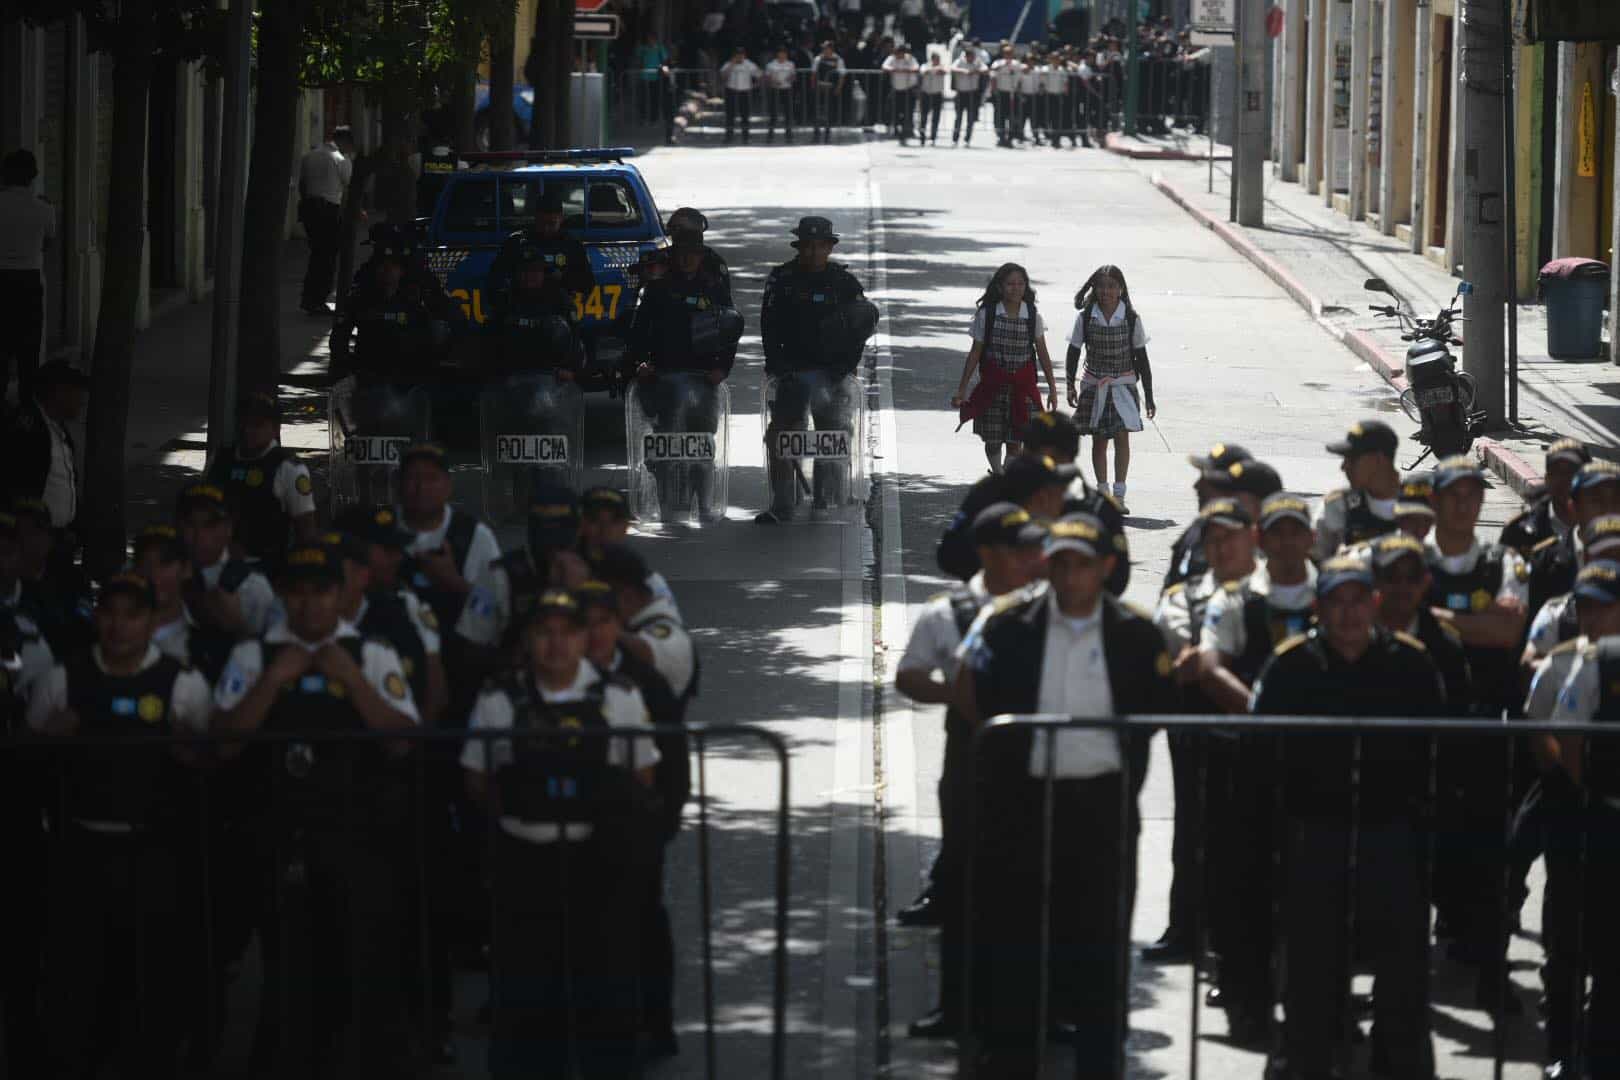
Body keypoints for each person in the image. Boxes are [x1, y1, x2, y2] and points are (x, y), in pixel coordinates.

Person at [955, 511, 1177, 1078]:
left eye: (1082, 564)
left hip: (1102, 808)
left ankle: (1099, 1064)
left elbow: (1157, 707)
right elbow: (970, 688)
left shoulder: (1136, 632)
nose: (1070, 575)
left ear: (1105, 567)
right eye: (1060, 564)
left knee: (1101, 944)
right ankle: (1011, 1059)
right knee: (1018, 941)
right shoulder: (1007, 625)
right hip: (1024, 804)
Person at [212, 542, 420, 1075]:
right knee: (284, 969)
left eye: (321, 592)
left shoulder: (370, 653)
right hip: (274, 836)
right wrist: (275, 679)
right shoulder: (253, 655)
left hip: (354, 836)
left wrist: (350, 680)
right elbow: (224, 743)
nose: (308, 606)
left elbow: (403, 740)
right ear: (284, 595)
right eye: (298, 593)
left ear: (340, 595)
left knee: (354, 961)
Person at [1250, 556, 1442, 1080]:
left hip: (1392, 834)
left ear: (1376, 604)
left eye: (1360, 599)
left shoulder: (1411, 663)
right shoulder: (1290, 666)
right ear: (1319, 608)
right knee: (1311, 969)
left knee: (1402, 973)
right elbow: (1260, 753)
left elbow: (1440, 752)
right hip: (1315, 834)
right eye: (1338, 601)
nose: (1350, 612)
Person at [461, 587, 657, 1078]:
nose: (555, 644)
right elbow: (476, 779)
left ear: (582, 637)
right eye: (544, 633)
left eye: (567, 633)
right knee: (525, 997)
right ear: (528, 639)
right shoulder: (499, 699)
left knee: (604, 994)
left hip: (598, 864)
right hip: (523, 864)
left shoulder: (620, 696)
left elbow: (643, 775)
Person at [28, 572, 212, 1078]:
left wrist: (189, 753)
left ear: (152, 622)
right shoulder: (63, 678)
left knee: (153, 972)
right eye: (109, 612)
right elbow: (28, 755)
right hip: (79, 850)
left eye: (132, 614)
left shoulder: (183, 683)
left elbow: (212, 761)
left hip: (155, 852)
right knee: (77, 975)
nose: (118, 625)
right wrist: (49, 739)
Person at [899, 502, 1047, 1040]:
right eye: (1022, 550)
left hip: (1038, 765)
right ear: (988, 554)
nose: (1035, 559)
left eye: (1037, 549)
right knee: (965, 885)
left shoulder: (1050, 607)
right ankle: (957, 1005)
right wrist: (959, 698)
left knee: (1040, 889)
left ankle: (1046, 1011)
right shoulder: (949, 612)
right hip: (973, 766)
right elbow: (908, 675)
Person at [1194, 492, 1317, 1041]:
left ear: (1311, 538)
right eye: (1279, 532)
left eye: (1298, 531)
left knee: (1318, 893)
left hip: (1320, 772)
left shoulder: (1336, 594)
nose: (1289, 542)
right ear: (1262, 541)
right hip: (1249, 765)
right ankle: (1247, 1001)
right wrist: (1267, 717)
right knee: (1244, 885)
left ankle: (1319, 1004)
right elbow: (1210, 666)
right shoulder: (1235, 601)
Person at [1423, 455, 1529, 1009]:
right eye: (1454, 495)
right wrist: (1474, 628)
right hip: (1425, 730)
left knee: (1488, 849)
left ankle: (1489, 970)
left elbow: (1509, 629)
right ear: (1436, 501)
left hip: (1487, 726)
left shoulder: (1501, 560)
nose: (1465, 504)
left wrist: (1439, 619)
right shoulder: (1411, 561)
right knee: (1423, 848)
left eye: (1473, 495)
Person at [576, 578, 689, 1060]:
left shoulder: (645, 682)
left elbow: (674, 762)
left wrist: (660, 826)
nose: (595, 634)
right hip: (567, 838)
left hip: (632, 835)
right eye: (584, 625)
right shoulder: (543, 680)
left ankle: (653, 1025)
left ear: (618, 625)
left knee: (640, 930)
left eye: (604, 623)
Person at [1147, 497, 1257, 968]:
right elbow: (1182, 660)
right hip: (1200, 731)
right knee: (1194, 834)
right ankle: (1188, 931)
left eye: (1230, 537)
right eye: (1213, 540)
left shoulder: (1277, 592)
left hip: (1263, 743)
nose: (1221, 548)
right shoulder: (1184, 596)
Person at [1531, 561, 1620, 1077]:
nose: (1591, 618)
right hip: (1582, 810)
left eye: (1603, 608)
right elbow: (1558, 737)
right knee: (1568, 936)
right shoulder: (1578, 662)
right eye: (1584, 607)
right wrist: (1588, 791)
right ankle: (1565, 1051)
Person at [757, 215, 875, 524]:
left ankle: (826, 499)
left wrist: (847, 367)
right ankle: (782, 503)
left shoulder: (844, 283)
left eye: (819, 246)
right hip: (791, 373)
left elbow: (862, 326)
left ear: (830, 247)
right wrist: (775, 368)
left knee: (832, 436)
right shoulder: (781, 279)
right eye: (807, 246)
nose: (812, 252)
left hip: (832, 375)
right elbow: (768, 326)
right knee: (781, 438)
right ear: (800, 246)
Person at [624, 226, 741, 523]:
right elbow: (638, 332)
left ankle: (704, 504)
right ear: (674, 257)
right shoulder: (657, 288)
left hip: (703, 380)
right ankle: (665, 502)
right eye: (682, 255)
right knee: (665, 447)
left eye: (694, 255)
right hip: (664, 378)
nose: (688, 260)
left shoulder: (714, 288)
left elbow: (730, 331)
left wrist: (721, 369)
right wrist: (639, 363)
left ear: (702, 257)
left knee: (702, 445)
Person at [457, 486, 590, 663]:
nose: (551, 539)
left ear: (578, 529)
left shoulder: (595, 568)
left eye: (559, 529)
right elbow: (473, 642)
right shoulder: (497, 574)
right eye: (542, 529)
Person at [952, 263, 1059, 476]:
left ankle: (1006, 480)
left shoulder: (1032, 316)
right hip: (993, 387)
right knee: (993, 440)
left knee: (1015, 439)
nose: (1016, 288)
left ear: (1026, 287)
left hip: (1021, 389)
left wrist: (1053, 388)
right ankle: (997, 470)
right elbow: (975, 352)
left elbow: (1043, 354)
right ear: (1000, 287)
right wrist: (962, 389)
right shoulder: (987, 314)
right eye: (1010, 283)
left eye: (1020, 283)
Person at [1066, 265, 1154, 513]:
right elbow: (1073, 352)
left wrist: (1149, 396)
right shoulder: (1085, 318)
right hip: (1095, 386)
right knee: (1100, 440)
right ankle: (1103, 492)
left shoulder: (1130, 318)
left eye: (1112, 286)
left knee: (1122, 437)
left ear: (1121, 289)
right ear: (1094, 289)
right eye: (1101, 286)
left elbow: (1142, 359)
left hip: (1122, 386)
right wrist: (1069, 384)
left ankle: (1119, 494)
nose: (1106, 291)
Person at [485, 188, 595, 378]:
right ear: (535, 218)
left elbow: (587, 283)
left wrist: (562, 280)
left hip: (555, 308)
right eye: (543, 222)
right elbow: (494, 280)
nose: (547, 228)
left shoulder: (571, 245)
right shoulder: (517, 243)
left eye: (552, 223)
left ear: (561, 218)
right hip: (518, 306)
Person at [396, 442, 503, 632]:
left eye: (431, 478)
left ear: (448, 485)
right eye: (412, 478)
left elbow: (496, 612)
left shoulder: (476, 537)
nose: (421, 488)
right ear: (398, 484)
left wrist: (454, 582)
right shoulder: (379, 530)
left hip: (458, 653)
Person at [332, 225, 464, 377]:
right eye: (383, 264)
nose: (387, 270)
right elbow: (341, 330)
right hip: (370, 369)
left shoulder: (419, 281)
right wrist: (345, 365)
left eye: (393, 265)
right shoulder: (365, 284)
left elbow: (448, 313)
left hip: (411, 371)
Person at [203, 389, 318, 560]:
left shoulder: (289, 468)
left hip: (265, 567)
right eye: (244, 423)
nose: (248, 431)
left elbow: (305, 529)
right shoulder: (220, 459)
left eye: (258, 424)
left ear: (275, 428)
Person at [174, 482, 282, 640]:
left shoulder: (251, 586)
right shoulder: (159, 574)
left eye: (210, 525)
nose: (199, 536)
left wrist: (236, 627)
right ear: (178, 526)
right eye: (190, 524)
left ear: (229, 528)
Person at [5, 357, 87, 530]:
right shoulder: (28, 428)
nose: (81, 399)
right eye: (76, 391)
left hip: (53, 536)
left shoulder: (60, 432)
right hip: (32, 536)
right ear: (57, 391)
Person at [0, 149, 55, 403]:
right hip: (30, 282)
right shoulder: (44, 209)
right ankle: (27, 405)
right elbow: (48, 245)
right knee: (28, 350)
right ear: (32, 176)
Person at [1313, 419, 1402, 559]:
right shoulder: (1336, 505)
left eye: (1352, 460)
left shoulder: (1421, 503)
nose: (1343, 467)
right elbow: (1314, 561)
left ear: (1378, 460)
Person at [296, 125, 356, 317]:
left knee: (316, 255)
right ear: (344, 142)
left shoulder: (309, 156)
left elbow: (302, 184)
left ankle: (309, 298)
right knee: (327, 258)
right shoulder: (340, 159)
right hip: (329, 211)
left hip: (310, 210)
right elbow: (350, 186)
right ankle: (319, 299)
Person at [719, 47, 763, 143]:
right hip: (731, 90)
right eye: (737, 54)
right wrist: (731, 65)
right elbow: (723, 75)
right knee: (730, 115)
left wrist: (755, 85)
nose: (739, 57)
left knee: (745, 115)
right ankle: (729, 137)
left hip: (744, 91)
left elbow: (759, 74)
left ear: (744, 55)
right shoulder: (728, 64)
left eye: (741, 54)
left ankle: (745, 137)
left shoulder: (749, 64)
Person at [882, 44, 921, 143]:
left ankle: (905, 132)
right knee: (894, 111)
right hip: (896, 89)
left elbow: (917, 68)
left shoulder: (910, 59)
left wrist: (906, 70)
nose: (898, 55)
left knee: (907, 113)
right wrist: (894, 70)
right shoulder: (892, 58)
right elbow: (884, 66)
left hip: (907, 90)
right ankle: (896, 130)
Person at [810, 41, 848, 142]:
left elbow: (842, 75)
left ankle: (827, 133)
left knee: (829, 111)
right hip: (819, 87)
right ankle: (816, 133)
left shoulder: (838, 59)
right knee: (817, 111)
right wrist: (813, 86)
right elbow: (813, 74)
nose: (825, 50)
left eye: (827, 48)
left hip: (831, 89)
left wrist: (839, 88)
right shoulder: (818, 59)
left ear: (831, 49)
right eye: (824, 48)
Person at [951, 46, 988, 145]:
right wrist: (963, 71)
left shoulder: (977, 62)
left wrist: (975, 71)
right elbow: (952, 68)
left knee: (970, 118)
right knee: (958, 117)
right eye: (969, 57)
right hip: (961, 93)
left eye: (972, 57)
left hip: (972, 93)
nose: (971, 59)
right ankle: (955, 138)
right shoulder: (960, 61)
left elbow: (985, 69)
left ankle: (967, 139)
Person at [765, 46, 798, 142]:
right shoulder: (771, 65)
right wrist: (772, 81)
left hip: (787, 89)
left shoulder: (791, 64)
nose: (782, 55)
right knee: (773, 113)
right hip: (775, 89)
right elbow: (767, 77)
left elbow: (794, 76)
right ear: (777, 54)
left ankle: (788, 134)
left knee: (788, 112)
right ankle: (770, 135)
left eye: (784, 53)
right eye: (780, 53)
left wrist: (790, 78)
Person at [989, 45, 1021, 146]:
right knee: (1000, 116)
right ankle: (1001, 137)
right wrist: (993, 91)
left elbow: (1020, 79)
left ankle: (1010, 137)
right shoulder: (997, 63)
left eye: (1010, 53)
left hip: (1013, 93)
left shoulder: (1016, 64)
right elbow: (993, 77)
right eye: (1006, 53)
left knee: (1012, 117)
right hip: (1001, 92)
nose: (1008, 55)